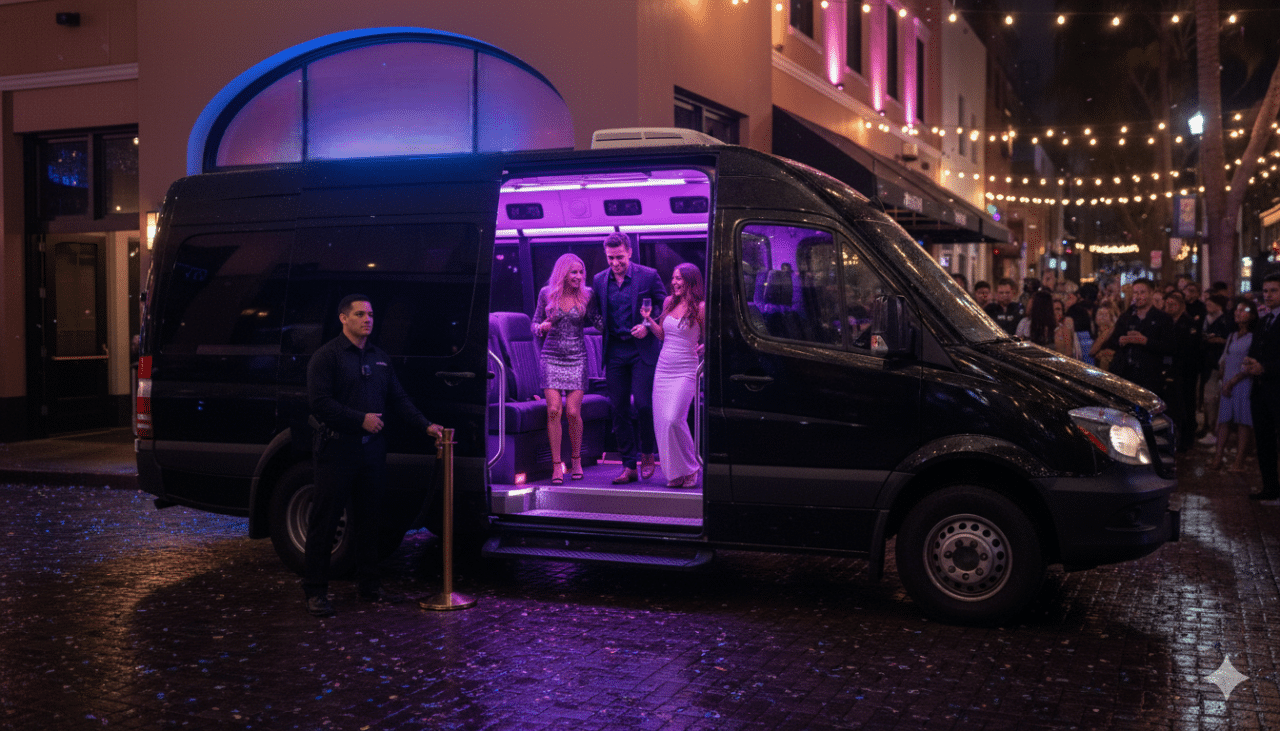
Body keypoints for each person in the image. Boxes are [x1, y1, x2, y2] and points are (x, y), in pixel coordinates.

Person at [304, 294, 444, 618]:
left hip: (371, 451)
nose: (367, 319)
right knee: (325, 522)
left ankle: (369, 585)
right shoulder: (327, 357)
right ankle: (315, 591)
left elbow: (398, 397)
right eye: (359, 314)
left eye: (370, 314)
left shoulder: (380, 358)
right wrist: (359, 418)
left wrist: (425, 425)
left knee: (370, 521)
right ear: (343, 318)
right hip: (337, 450)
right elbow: (320, 403)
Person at [592, 233, 667, 484]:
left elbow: (663, 305)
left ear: (630, 253)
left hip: (641, 350)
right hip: (614, 351)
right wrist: (600, 325)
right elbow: (594, 310)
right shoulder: (599, 280)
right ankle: (628, 465)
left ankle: (647, 452)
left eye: (620, 257)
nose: (615, 263)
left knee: (644, 405)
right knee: (619, 408)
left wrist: (648, 324)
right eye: (611, 258)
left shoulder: (648, 275)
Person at [532, 253, 602, 484]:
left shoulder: (588, 295)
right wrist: (540, 327)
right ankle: (556, 465)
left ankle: (576, 460)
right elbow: (534, 323)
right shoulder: (546, 294)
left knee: (572, 412)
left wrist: (614, 325)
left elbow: (596, 320)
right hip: (551, 356)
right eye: (574, 272)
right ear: (563, 273)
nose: (579, 277)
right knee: (554, 410)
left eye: (581, 272)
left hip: (577, 357)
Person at [644, 263, 705, 488]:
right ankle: (676, 473)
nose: (674, 283)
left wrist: (705, 346)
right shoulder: (669, 302)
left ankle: (691, 467)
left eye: (679, 278)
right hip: (664, 369)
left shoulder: (701, 307)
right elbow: (662, 334)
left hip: (686, 370)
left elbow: (709, 337)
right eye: (673, 278)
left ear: (691, 281)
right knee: (662, 423)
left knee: (673, 419)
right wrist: (648, 322)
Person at [1097, 278, 1175, 396]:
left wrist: (1144, 341)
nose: (1138, 296)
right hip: (1125, 374)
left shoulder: (1163, 319)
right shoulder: (1126, 317)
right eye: (1135, 293)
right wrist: (1121, 340)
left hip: (1149, 377)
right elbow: (1113, 341)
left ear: (1151, 293)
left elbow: (1169, 347)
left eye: (1142, 293)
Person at [1242, 273, 1280, 499]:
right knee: (1264, 441)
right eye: (1265, 291)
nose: (1268, 295)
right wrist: (1251, 362)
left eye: (1273, 291)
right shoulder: (1265, 320)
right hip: (1260, 390)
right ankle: (1270, 487)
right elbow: (1256, 348)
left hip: (1277, 389)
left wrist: (1265, 367)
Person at [1211, 299, 1257, 472]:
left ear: (1252, 315)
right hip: (1227, 382)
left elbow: (1249, 364)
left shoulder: (1254, 337)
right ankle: (1218, 457)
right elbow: (1224, 359)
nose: (1238, 313)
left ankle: (1239, 461)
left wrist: (1232, 381)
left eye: (1243, 310)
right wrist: (1223, 379)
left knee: (1243, 422)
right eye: (1237, 310)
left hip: (1243, 382)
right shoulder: (1231, 336)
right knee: (1223, 421)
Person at [1163, 291, 1200, 451]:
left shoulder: (1189, 323)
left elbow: (1190, 348)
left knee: (1187, 403)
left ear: (1182, 306)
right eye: (1167, 304)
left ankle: (1187, 438)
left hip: (1187, 370)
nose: (1169, 307)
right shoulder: (1167, 322)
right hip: (1173, 369)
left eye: (1173, 304)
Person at [1198, 293, 1233, 445]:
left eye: (1210, 303)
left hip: (1216, 364)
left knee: (1212, 398)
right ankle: (1207, 426)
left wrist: (1219, 340)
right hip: (1204, 362)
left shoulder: (1225, 321)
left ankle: (1214, 430)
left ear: (1218, 306)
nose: (1207, 306)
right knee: (1206, 398)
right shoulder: (1205, 319)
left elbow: (1230, 339)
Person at [1091, 302, 1120, 371]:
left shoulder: (1113, 331)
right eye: (1099, 314)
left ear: (1111, 317)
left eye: (1105, 315)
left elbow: (1093, 351)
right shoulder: (1097, 331)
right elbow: (1092, 352)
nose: (1102, 317)